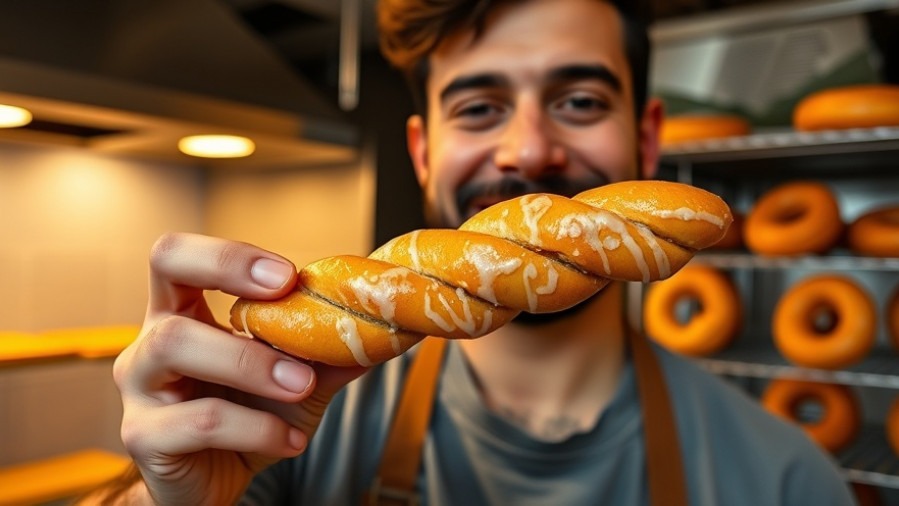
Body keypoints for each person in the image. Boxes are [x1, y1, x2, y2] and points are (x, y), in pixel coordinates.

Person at [98, 0, 856, 504]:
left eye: (580, 101)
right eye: (480, 108)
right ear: (423, 153)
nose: (527, 151)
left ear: (646, 140)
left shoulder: (783, 477)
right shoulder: (286, 424)